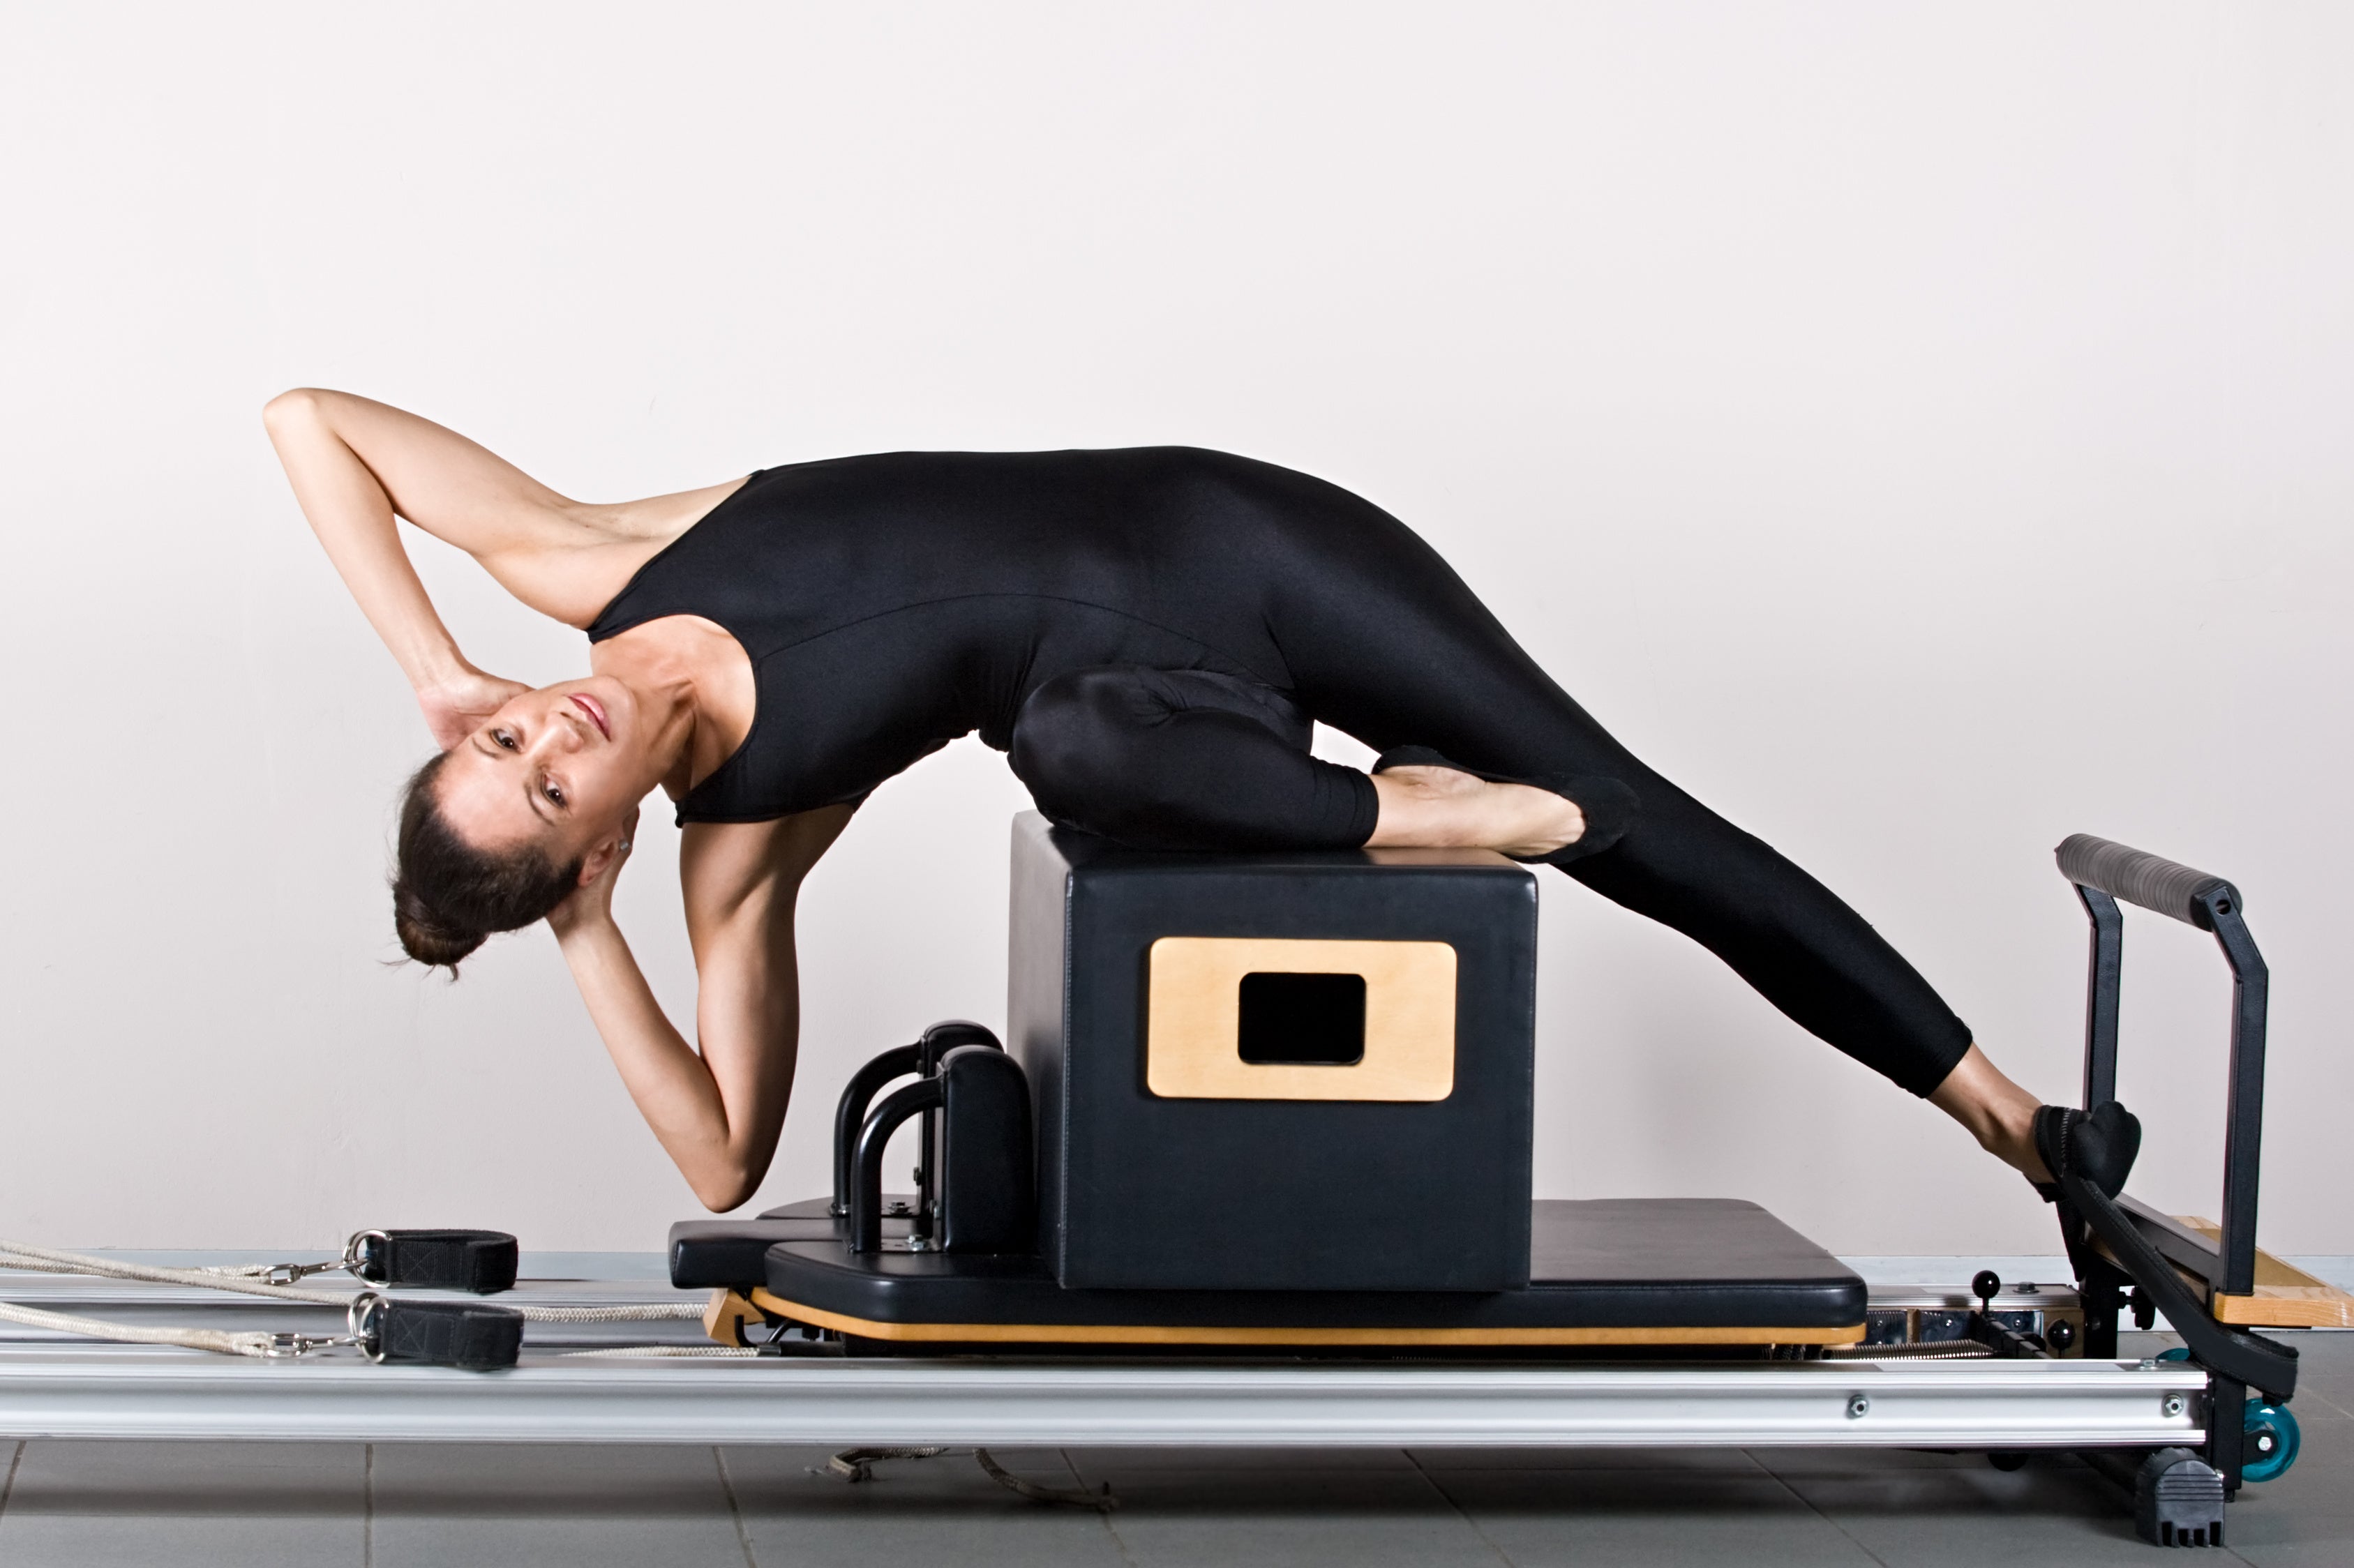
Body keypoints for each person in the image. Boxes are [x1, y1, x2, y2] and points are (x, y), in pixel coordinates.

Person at [266, 389, 2138, 1214]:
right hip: (1156, 730)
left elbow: (307, 421)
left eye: (508, 736)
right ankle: (1415, 819)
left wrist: (436, 667)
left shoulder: (587, 563)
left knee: (1631, 817)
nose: (545, 728)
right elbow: (720, 1159)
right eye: (542, 780)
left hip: (1238, 534)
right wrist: (593, 936)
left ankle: (2006, 1114)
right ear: (595, 845)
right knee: (1071, 764)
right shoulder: (735, 852)